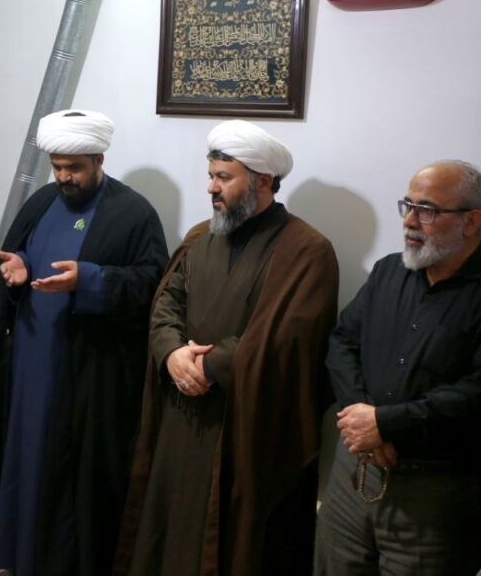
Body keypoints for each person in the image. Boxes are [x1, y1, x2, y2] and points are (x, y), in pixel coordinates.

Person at [116, 119, 339, 576]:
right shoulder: (201, 236)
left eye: (223, 177)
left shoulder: (308, 251)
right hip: (181, 412)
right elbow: (166, 304)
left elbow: (284, 339)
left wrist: (208, 367)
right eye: (211, 175)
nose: (211, 188)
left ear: (262, 181)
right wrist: (172, 354)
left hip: (242, 423)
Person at [0, 110, 169, 576]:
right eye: (57, 166)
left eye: (74, 168)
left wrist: (90, 279)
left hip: (85, 376)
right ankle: (18, 555)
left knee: (66, 474)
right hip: (30, 364)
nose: (63, 177)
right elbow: (25, 254)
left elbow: (152, 285)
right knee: (24, 459)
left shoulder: (133, 213)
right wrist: (19, 268)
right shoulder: (43, 201)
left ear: (99, 160)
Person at [315, 160, 481, 575]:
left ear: (471, 222)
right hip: (353, 477)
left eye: (426, 210)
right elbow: (343, 342)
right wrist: (362, 420)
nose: (410, 221)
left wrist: (387, 424)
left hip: (436, 493)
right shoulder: (388, 271)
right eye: (407, 205)